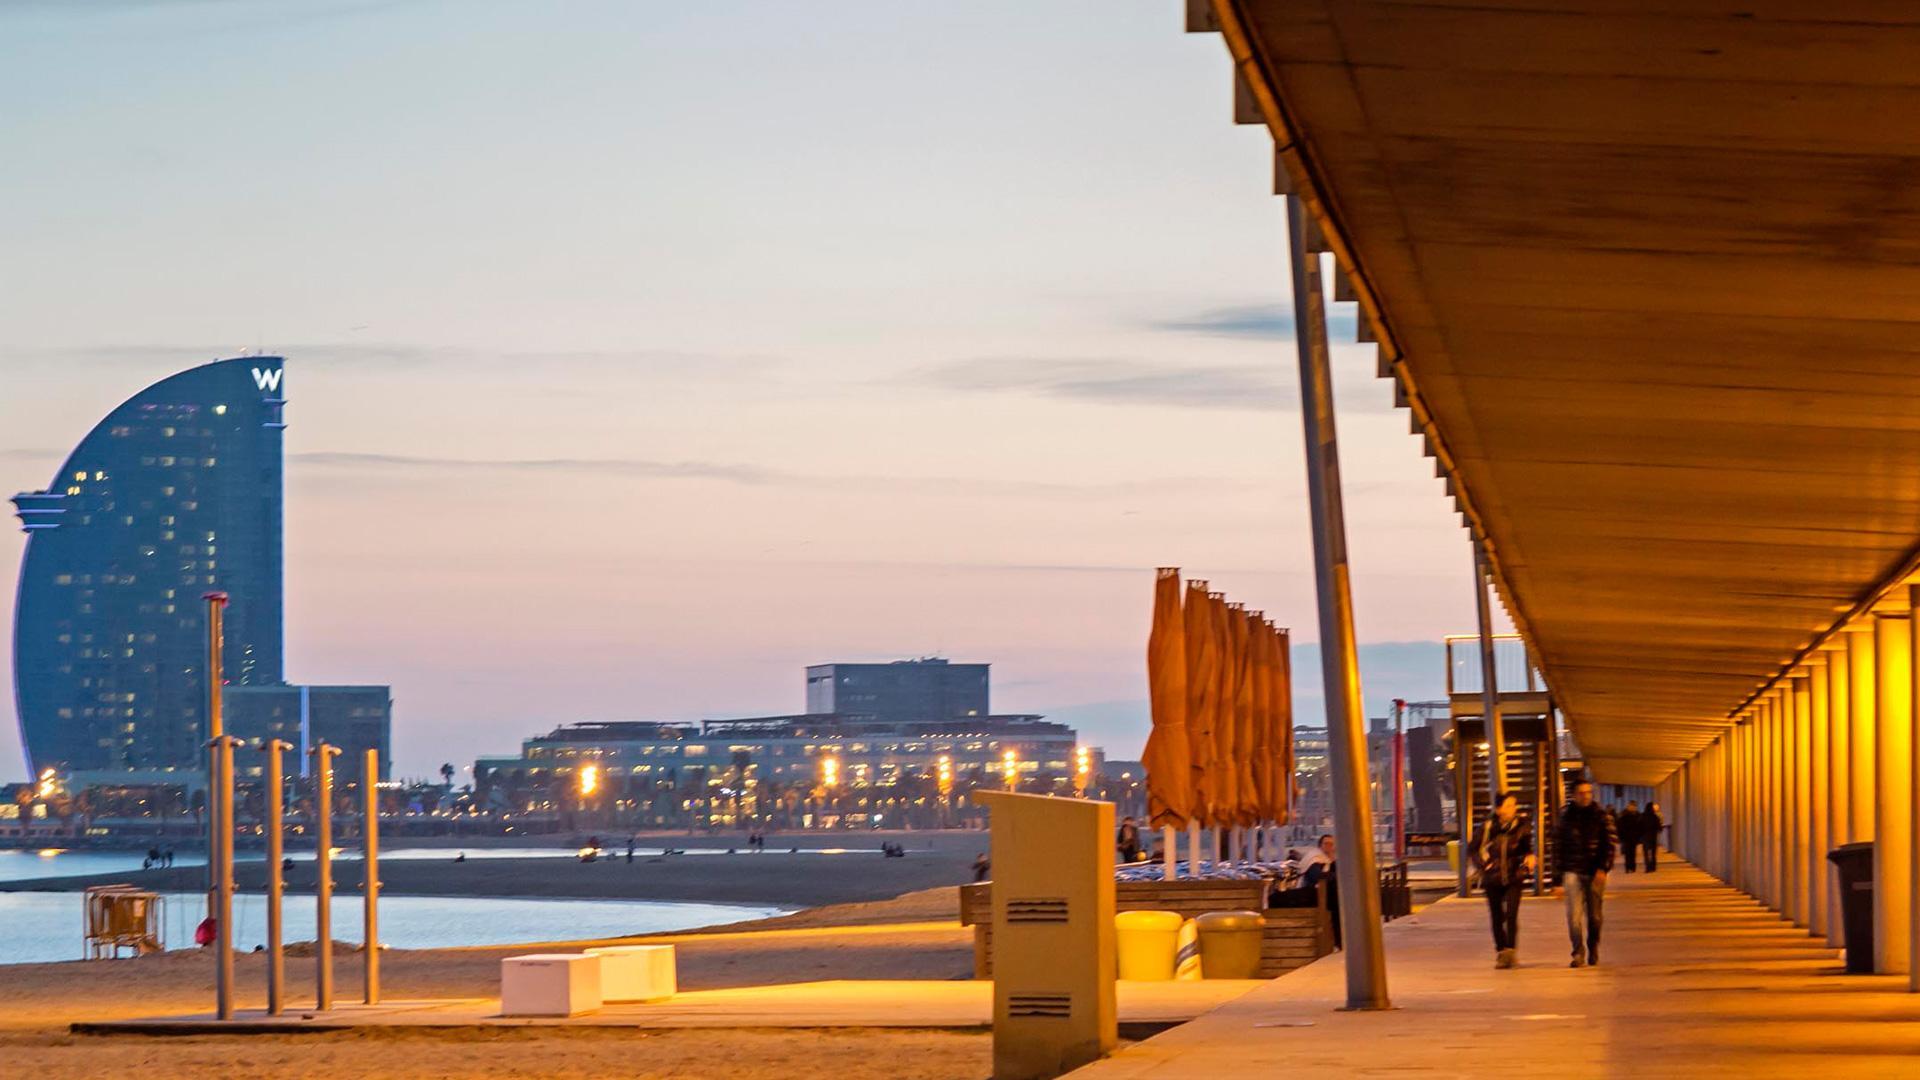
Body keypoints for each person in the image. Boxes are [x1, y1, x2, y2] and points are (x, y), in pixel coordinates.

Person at [1556, 779, 1618, 968]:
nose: (1586, 796)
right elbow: (1558, 848)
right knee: (1573, 916)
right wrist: (1557, 881)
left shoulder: (1601, 816)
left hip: (1594, 871)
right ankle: (1578, 952)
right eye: (1581, 793)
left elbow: (1610, 844)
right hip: (1572, 871)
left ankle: (1593, 946)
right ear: (1574, 795)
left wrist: (1603, 868)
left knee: (1595, 917)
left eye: (1588, 792)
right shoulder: (1565, 818)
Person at [1471, 791, 1536, 968]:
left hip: (1514, 876)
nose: (1513, 809)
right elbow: (1473, 849)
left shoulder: (1521, 825)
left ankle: (1510, 951)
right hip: (1492, 878)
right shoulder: (1487, 827)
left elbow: (1527, 848)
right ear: (1499, 809)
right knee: (1497, 916)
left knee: (1512, 914)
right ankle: (1501, 952)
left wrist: (1529, 857)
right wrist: (1484, 865)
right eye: (1508, 805)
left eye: (1514, 805)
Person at [1301, 834, 1340, 950]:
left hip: (1327, 895)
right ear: (1320, 845)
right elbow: (1317, 876)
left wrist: (1333, 860)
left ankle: (1339, 941)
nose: (1329, 846)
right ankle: (1338, 941)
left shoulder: (1328, 859)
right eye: (1326, 843)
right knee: (1336, 908)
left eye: (1331, 844)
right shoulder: (1315, 859)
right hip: (1313, 894)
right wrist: (1333, 875)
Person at [1618, 802, 1642, 873]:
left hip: (1633, 837)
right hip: (1626, 837)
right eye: (1631, 806)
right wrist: (1621, 837)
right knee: (1628, 853)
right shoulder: (1624, 816)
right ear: (1628, 807)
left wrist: (1639, 836)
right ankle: (1628, 867)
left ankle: (1632, 867)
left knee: (1633, 853)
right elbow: (1620, 827)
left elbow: (1640, 827)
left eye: (1634, 806)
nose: (1632, 808)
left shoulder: (1638, 816)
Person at [1642, 802, 1664, 873]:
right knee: (1653, 852)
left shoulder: (1643, 816)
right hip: (1653, 836)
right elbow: (1659, 828)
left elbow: (1639, 826)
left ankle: (1648, 867)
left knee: (1646, 852)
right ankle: (1653, 866)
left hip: (1645, 837)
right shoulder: (1655, 817)